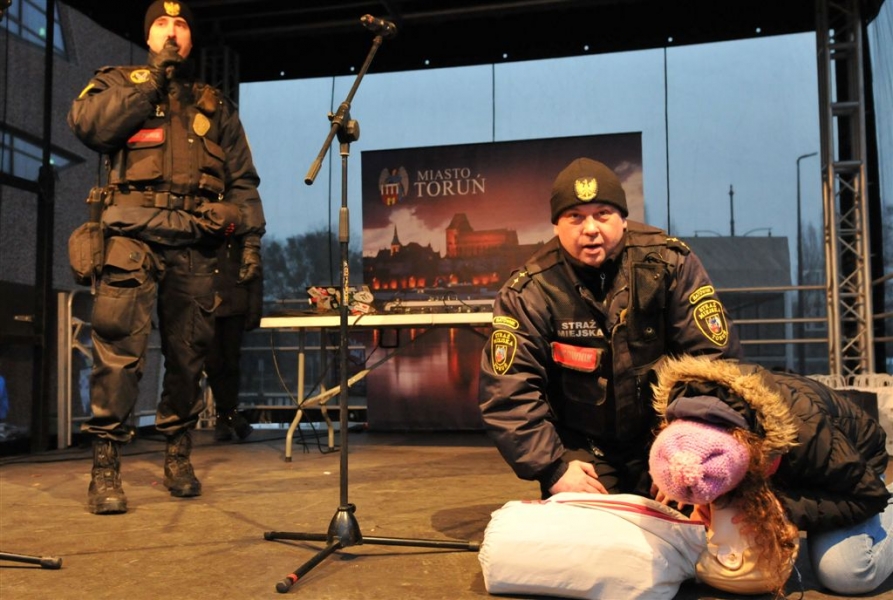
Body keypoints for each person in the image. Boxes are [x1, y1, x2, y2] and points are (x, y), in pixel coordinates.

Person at [68, 0, 265, 514]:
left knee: (188, 355)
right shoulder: (116, 82)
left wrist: (251, 240)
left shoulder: (214, 105)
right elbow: (88, 126)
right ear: (148, 37)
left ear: (191, 39)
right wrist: (152, 81)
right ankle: (105, 466)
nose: (172, 32)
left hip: (195, 239)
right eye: (161, 23)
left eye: (180, 25)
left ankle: (177, 454)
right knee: (118, 351)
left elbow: (242, 180)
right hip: (130, 235)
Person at [479, 157, 743, 500]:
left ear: (623, 218)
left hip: (667, 434)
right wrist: (553, 468)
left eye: (602, 213)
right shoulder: (529, 291)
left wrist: (688, 447)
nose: (590, 228)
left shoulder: (670, 263)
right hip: (581, 448)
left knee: (689, 522)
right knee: (591, 525)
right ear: (556, 225)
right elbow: (509, 392)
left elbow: (714, 361)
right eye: (575, 217)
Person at [649, 354, 892, 596]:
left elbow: (868, 496)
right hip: (789, 463)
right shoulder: (689, 426)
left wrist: (786, 508)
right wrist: (689, 492)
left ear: (759, 460)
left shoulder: (810, 436)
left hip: (855, 473)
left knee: (848, 573)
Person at [205, 235, 262, 442]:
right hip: (209, 306)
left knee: (230, 364)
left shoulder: (242, 239)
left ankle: (225, 417)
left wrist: (254, 311)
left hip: (234, 306)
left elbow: (255, 274)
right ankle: (231, 415)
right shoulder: (205, 236)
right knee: (213, 364)